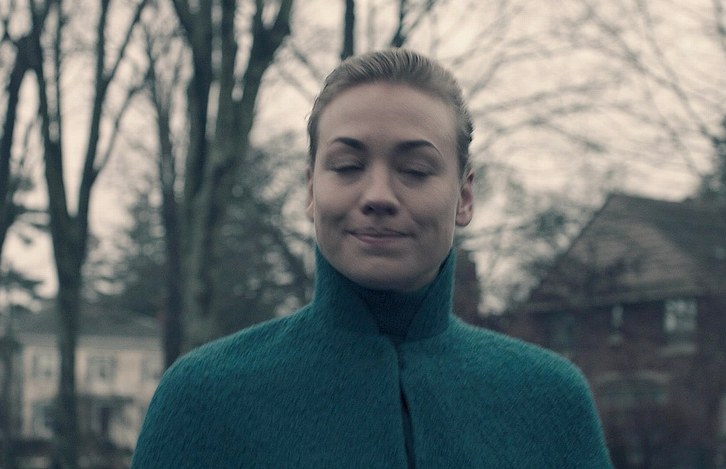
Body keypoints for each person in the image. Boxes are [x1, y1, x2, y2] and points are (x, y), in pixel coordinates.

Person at [132, 48, 613, 468]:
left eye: (415, 170)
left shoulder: (551, 402)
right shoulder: (204, 397)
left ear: (465, 196)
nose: (378, 195)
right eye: (348, 166)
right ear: (310, 189)